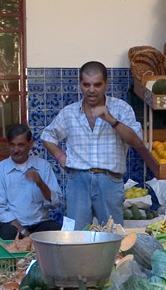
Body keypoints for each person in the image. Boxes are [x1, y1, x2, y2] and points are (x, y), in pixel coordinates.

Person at [41, 61, 144, 227]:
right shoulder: (69, 112)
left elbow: (137, 141)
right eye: (86, 84)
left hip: (109, 181)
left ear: (106, 84)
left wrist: (111, 120)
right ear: (80, 85)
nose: (91, 90)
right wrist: (60, 157)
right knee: (75, 237)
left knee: (112, 237)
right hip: (77, 180)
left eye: (97, 84)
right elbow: (47, 136)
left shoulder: (121, 109)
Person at [0, 124, 62, 240]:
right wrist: (24, 232)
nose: (16, 150)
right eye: (12, 145)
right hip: (12, 225)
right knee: (7, 233)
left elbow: (55, 203)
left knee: (58, 232)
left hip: (38, 225)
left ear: (30, 145)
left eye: (21, 145)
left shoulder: (43, 166)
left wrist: (40, 183)